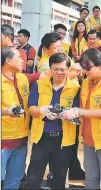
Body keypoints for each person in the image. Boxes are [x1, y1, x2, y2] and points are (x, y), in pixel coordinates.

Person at [61, 48, 101, 189]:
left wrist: (80, 112)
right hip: (88, 137)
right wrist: (72, 114)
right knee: (91, 177)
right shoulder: (86, 83)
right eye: (83, 67)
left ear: (100, 65)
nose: (85, 71)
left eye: (89, 67)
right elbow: (83, 106)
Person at [25, 53, 80, 189]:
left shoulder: (75, 88)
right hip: (41, 138)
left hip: (63, 140)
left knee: (59, 180)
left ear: (68, 70)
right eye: (55, 69)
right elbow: (31, 108)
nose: (59, 72)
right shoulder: (39, 85)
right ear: (50, 69)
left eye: (62, 69)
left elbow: (78, 113)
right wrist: (42, 110)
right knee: (33, 177)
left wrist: (68, 114)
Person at [1, 47, 30, 190]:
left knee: (14, 179)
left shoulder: (22, 78)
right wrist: (5, 111)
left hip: (21, 139)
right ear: (8, 60)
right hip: (3, 141)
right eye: (18, 57)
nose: (22, 60)